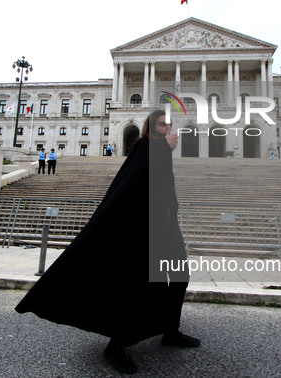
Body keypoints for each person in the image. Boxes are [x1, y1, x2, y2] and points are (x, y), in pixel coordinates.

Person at [15, 110, 199, 375]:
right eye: (161, 124)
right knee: (141, 287)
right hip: (144, 230)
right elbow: (139, 179)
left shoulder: (158, 150)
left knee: (180, 275)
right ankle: (116, 345)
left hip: (166, 226)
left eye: (169, 123)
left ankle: (170, 330)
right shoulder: (145, 148)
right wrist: (166, 150)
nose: (167, 127)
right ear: (150, 127)